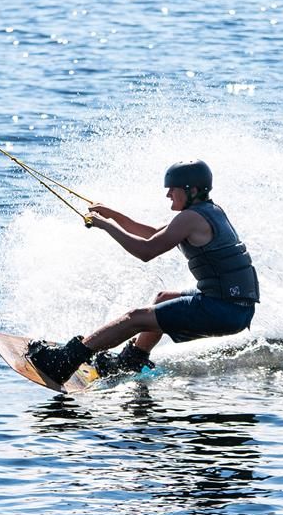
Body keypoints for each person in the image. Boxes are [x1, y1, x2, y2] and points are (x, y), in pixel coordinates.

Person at [26, 160, 260, 386]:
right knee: (163, 299)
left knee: (135, 318)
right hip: (233, 306)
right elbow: (150, 234)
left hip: (224, 310)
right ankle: (132, 360)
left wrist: (105, 225)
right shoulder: (208, 211)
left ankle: (64, 362)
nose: (168, 194)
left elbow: (145, 250)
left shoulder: (191, 218)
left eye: (173, 189)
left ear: (193, 190)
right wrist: (112, 215)